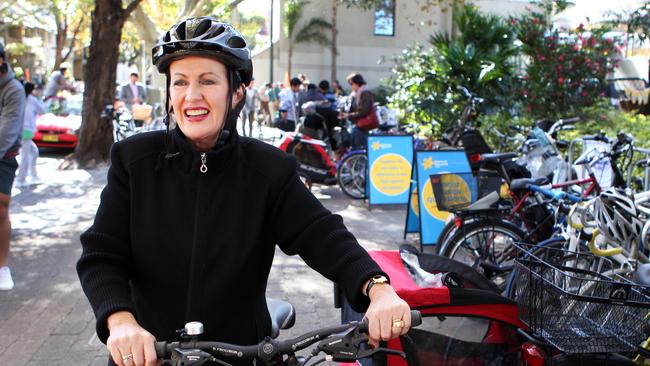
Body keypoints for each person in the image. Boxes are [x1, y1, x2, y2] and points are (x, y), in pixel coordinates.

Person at [76, 17, 411, 366]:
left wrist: (379, 288)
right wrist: (121, 322)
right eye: (180, 82)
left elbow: (322, 233)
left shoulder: (268, 169)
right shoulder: (134, 161)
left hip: (245, 354)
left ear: (237, 92)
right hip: (148, 356)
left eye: (208, 81)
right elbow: (101, 255)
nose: (192, 96)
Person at [0, 42, 26, 291]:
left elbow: (7, 132)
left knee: (1, 207)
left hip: (3, 155)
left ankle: (2, 266)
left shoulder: (13, 89)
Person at [16, 82, 46, 187]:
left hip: (20, 130)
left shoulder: (20, 98)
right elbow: (43, 110)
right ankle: (21, 179)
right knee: (25, 155)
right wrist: (39, 98)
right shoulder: (32, 100)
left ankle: (32, 174)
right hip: (27, 130)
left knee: (33, 152)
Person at [340, 73, 374, 149]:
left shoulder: (365, 93)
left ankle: (359, 160)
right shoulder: (357, 93)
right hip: (358, 124)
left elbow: (364, 111)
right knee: (355, 144)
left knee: (359, 146)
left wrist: (349, 115)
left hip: (363, 124)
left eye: (351, 84)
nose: (351, 86)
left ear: (357, 83)